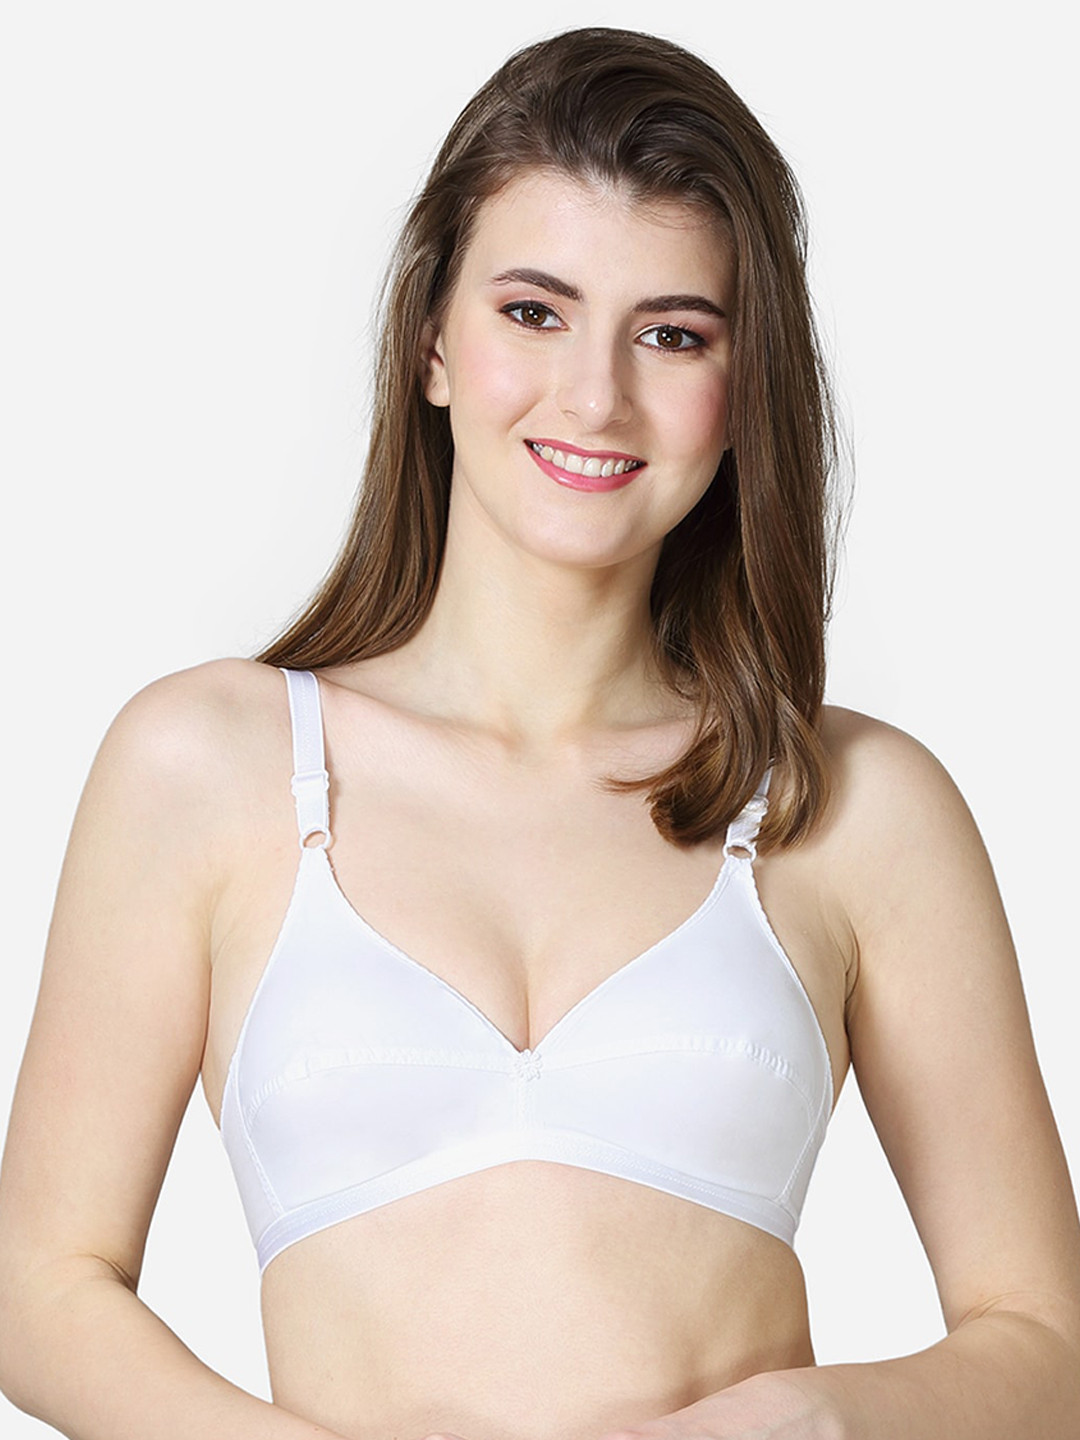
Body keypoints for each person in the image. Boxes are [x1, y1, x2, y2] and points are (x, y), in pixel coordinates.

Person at [0, 23, 1078, 1440]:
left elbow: (1048, 1346)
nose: (596, 396)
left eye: (672, 335)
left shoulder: (854, 806)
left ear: (743, 390)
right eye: (534, 312)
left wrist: (810, 1423)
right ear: (431, 343)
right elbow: (40, 1289)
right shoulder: (208, 767)